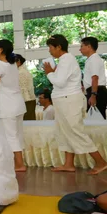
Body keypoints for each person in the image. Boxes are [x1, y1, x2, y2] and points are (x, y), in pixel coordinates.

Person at [43, 35, 107, 175]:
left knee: (75, 131)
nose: (49, 51)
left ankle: (101, 162)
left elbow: (59, 82)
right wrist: (53, 73)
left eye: (51, 47)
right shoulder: (64, 60)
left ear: (59, 47)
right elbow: (62, 80)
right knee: (64, 131)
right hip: (64, 99)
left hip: (69, 100)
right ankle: (68, 163)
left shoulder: (67, 60)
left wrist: (49, 73)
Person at [0, 40, 27, 172]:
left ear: (1, 50)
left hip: (7, 106)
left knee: (10, 136)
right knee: (17, 135)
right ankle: (18, 162)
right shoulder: (12, 64)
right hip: (17, 104)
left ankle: (19, 164)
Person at [80, 37, 106, 119]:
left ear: (89, 47)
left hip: (97, 92)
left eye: (81, 46)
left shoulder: (94, 59)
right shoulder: (90, 59)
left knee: (98, 119)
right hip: (93, 91)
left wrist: (93, 95)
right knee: (94, 119)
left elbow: (95, 78)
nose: (80, 49)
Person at [14, 54, 36, 120]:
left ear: (18, 62)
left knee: (26, 122)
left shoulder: (20, 72)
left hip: (26, 100)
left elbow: (22, 89)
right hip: (28, 99)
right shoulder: (23, 71)